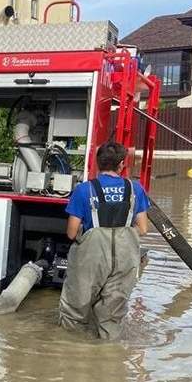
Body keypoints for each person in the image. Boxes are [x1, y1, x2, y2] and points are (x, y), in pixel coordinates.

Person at [59, 141, 149, 340]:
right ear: (122, 164)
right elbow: (143, 229)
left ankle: (68, 354)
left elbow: (72, 233)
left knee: (75, 310)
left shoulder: (84, 190)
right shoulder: (135, 188)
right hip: (125, 255)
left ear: (98, 163)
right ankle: (109, 361)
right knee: (112, 314)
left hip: (92, 255)